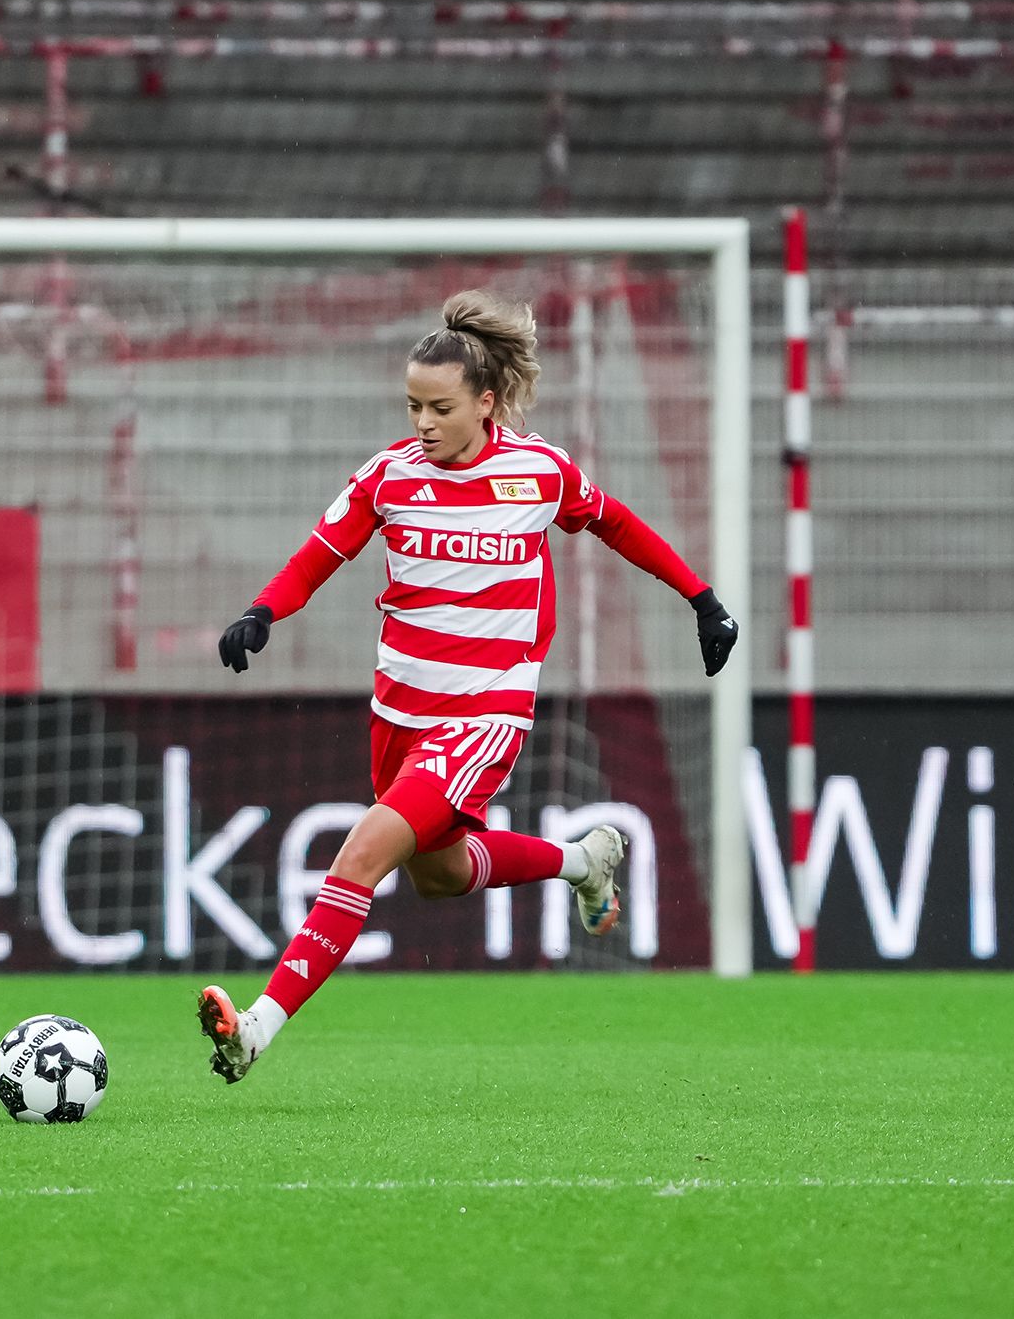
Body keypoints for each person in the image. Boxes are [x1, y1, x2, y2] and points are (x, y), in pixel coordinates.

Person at [197, 290, 738, 1083]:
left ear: (486, 402)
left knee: (363, 852)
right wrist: (262, 611)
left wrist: (701, 598)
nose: (423, 422)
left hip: (485, 714)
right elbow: (319, 554)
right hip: (399, 714)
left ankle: (255, 1028)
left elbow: (616, 521)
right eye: (413, 405)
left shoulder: (537, 472)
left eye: (440, 408)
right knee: (439, 874)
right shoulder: (389, 477)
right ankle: (581, 860)